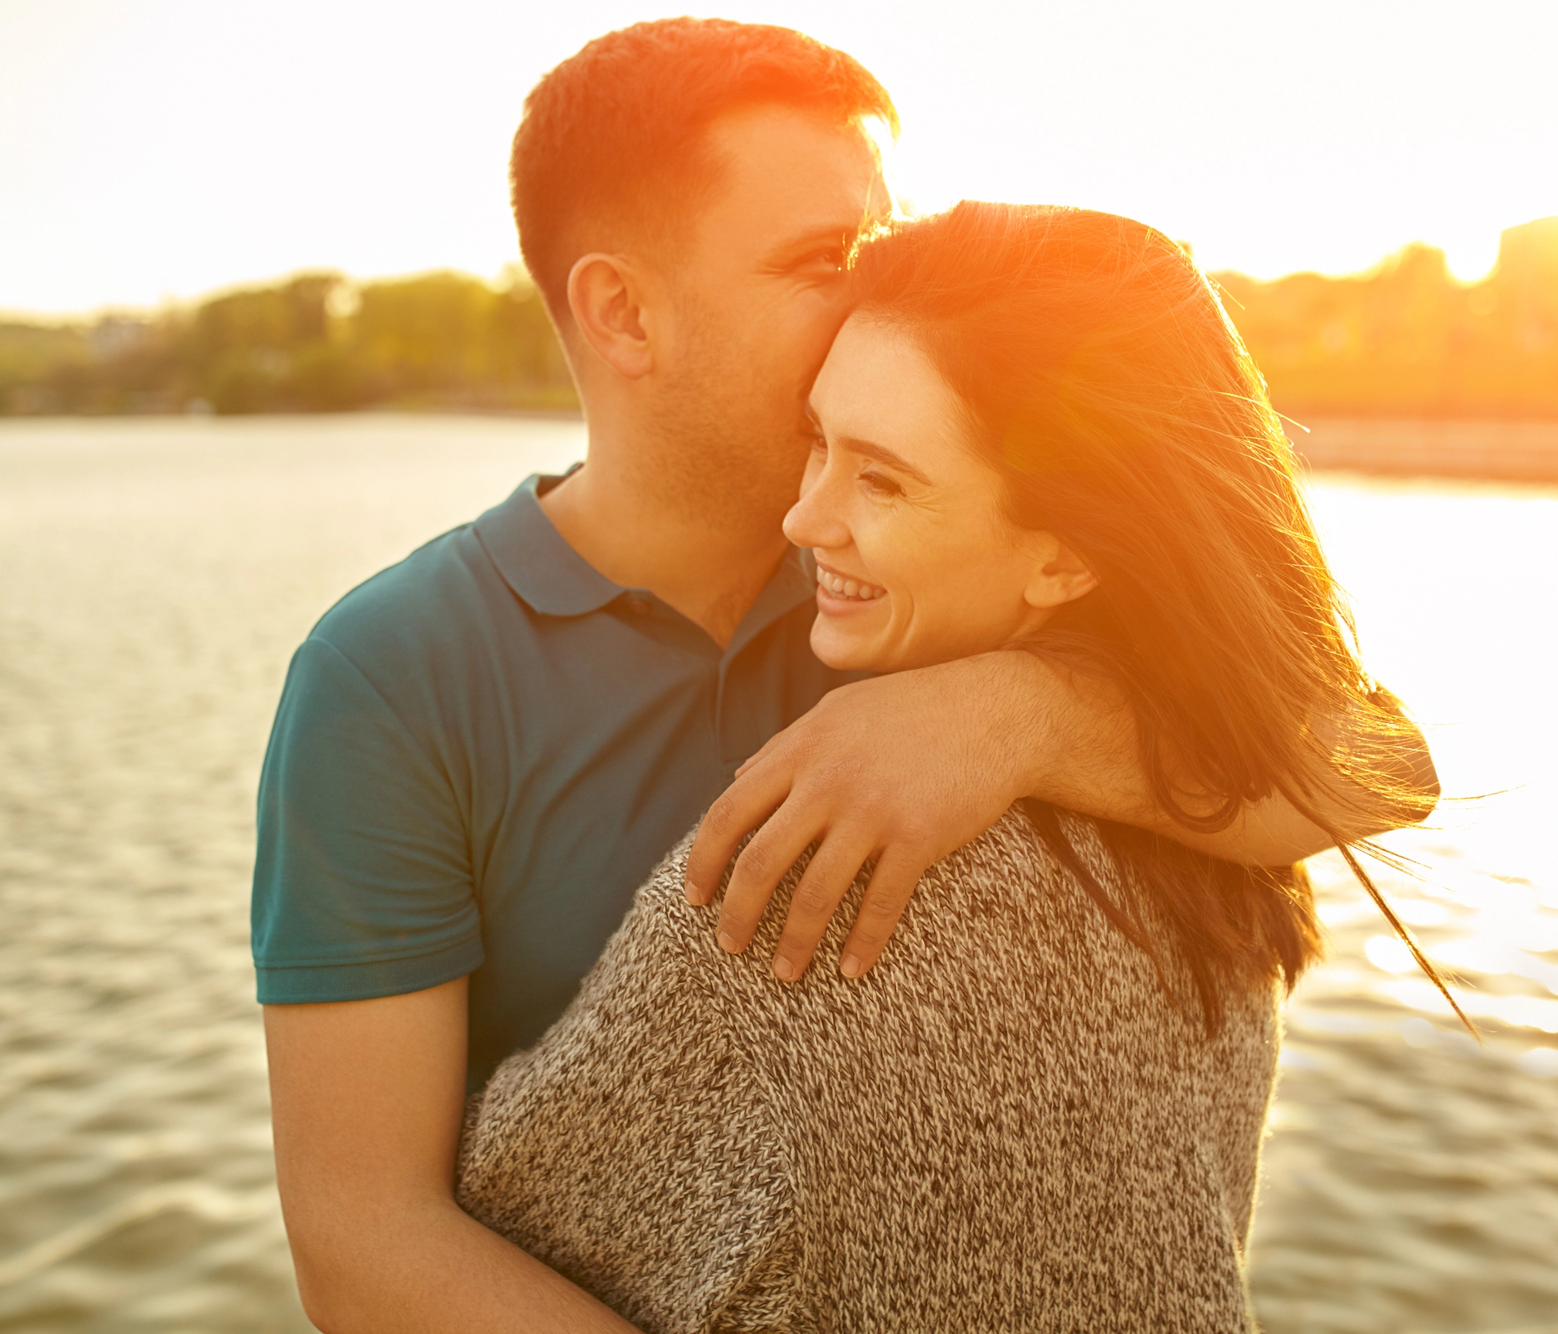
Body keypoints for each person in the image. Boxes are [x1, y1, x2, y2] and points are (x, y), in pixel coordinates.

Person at [254, 20, 1436, 1333]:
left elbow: (1383, 764)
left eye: (882, 243)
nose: (884, 295)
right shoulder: (387, 676)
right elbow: (365, 1241)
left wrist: (1020, 713)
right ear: (623, 312)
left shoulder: (933, 568)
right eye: (828, 260)